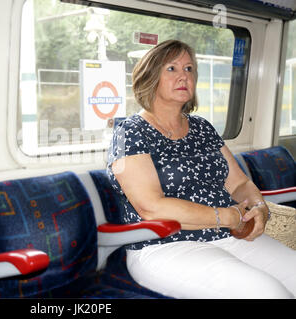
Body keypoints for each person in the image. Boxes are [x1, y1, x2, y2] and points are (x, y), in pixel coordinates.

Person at [107, 39, 296, 299]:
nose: (184, 75)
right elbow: (150, 206)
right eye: (172, 69)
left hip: (228, 235)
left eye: (189, 69)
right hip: (166, 245)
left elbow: (240, 184)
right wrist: (225, 216)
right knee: (269, 294)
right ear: (150, 77)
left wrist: (259, 209)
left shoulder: (202, 128)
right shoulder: (130, 132)